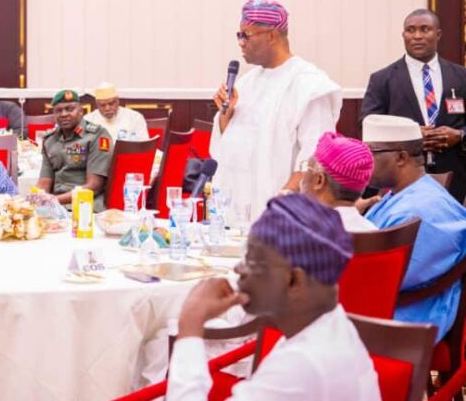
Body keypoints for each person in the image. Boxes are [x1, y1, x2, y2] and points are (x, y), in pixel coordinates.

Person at [168, 193, 380, 401]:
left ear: (294, 281)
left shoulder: (301, 365)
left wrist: (190, 324)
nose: (238, 269)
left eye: (252, 262)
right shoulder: (330, 327)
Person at [210, 0, 342, 222]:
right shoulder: (247, 83)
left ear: (271, 35)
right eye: (239, 35)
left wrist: (280, 206)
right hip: (234, 219)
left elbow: (315, 159)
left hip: (283, 220)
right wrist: (226, 115)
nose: (241, 43)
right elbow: (225, 149)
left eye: (246, 35)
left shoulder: (309, 85)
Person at [362, 114, 466, 340]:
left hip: (404, 319)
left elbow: (379, 282)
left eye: (370, 153)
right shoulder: (403, 192)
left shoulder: (416, 213)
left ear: (401, 157)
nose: (363, 162)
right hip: (386, 305)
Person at [360, 9, 466, 201]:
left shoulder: (461, 76)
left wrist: (459, 135)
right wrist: (410, 134)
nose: (417, 36)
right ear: (403, 35)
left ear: (438, 34)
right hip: (401, 178)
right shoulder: (382, 79)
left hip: (455, 177)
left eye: (425, 29)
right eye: (410, 30)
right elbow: (366, 125)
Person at [37, 89, 113, 211]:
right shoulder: (50, 140)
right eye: (58, 111)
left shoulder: (96, 136)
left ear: (81, 111)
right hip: (56, 207)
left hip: (86, 206)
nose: (64, 114)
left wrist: (53, 200)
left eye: (69, 109)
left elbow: (94, 186)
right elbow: (44, 182)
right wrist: (37, 199)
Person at [299, 132, 377, 232]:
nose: (302, 177)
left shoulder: (300, 234)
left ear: (319, 180)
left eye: (307, 168)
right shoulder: (374, 231)